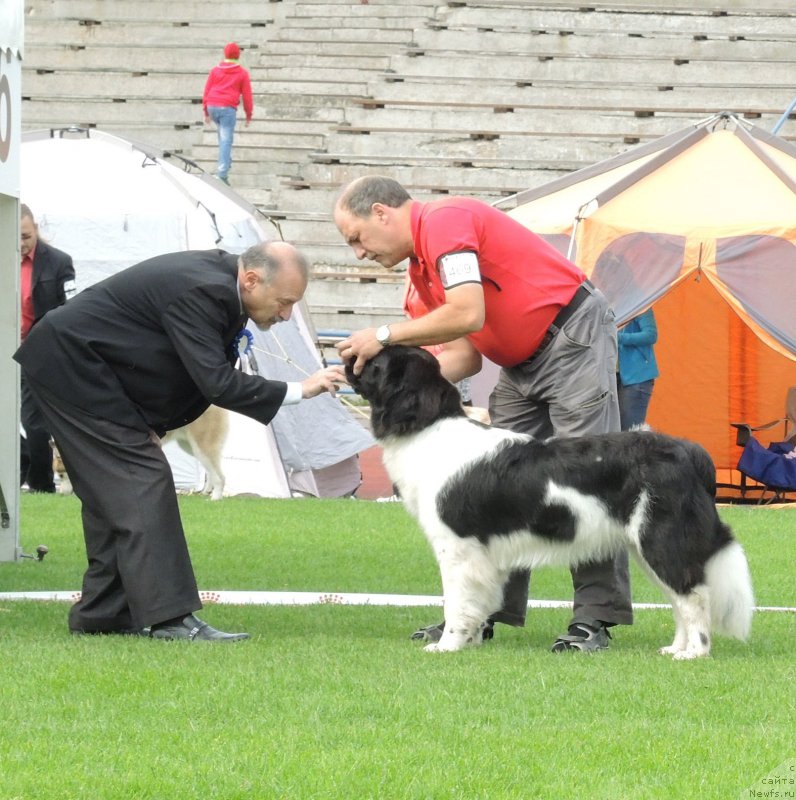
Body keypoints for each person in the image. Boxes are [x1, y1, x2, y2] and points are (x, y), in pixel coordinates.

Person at [333, 176, 632, 653]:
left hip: (571, 334)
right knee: (496, 486)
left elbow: (469, 312)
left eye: (357, 238)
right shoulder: (420, 279)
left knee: (587, 475)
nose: (359, 254)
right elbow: (462, 359)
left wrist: (385, 336)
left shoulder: (446, 223)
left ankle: (595, 618)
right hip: (517, 360)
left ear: (382, 214)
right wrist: (379, 381)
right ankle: (479, 615)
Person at [14, 242, 345, 641]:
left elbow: (169, 358)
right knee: (143, 478)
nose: (287, 313)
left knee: (115, 493)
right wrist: (301, 389)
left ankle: (103, 613)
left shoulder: (223, 287)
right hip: (70, 366)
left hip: (86, 368)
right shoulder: (204, 290)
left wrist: (147, 422)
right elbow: (215, 381)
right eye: (285, 301)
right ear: (252, 280)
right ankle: (171, 620)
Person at [18, 203, 76, 493]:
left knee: (34, 420)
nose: (20, 242)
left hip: (39, 352)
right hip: (6, 349)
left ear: (36, 229)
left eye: (26, 235)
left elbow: (71, 309)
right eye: (15, 236)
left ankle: (41, 485)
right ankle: (23, 464)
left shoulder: (59, 263)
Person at [202, 42, 253, 185]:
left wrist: (206, 111)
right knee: (226, 139)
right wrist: (249, 114)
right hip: (227, 108)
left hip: (212, 105)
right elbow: (247, 96)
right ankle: (222, 174)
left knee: (222, 136)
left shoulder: (215, 71)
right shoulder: (242, 73)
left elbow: (207, 90)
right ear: (238, 55)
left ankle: (226, 161)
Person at [617, 307, 659, 431]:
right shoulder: (606, 305)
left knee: (630, 432)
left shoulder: (640, 304)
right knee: (613, 431)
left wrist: (618, 337)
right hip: (611, 377)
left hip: (636, 378)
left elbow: (651, 335)